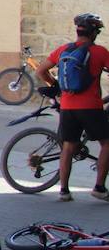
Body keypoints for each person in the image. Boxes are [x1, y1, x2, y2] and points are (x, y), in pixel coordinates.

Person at [36, 13, 109, 202]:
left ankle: (64, 191)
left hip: (68, 106)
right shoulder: (99, 52)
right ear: (94, 33)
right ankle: (99, 187)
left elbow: (40, 70)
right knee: (107, 144)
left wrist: (56, 85)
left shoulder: (63, 50)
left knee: (68, 147)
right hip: (91, 107)